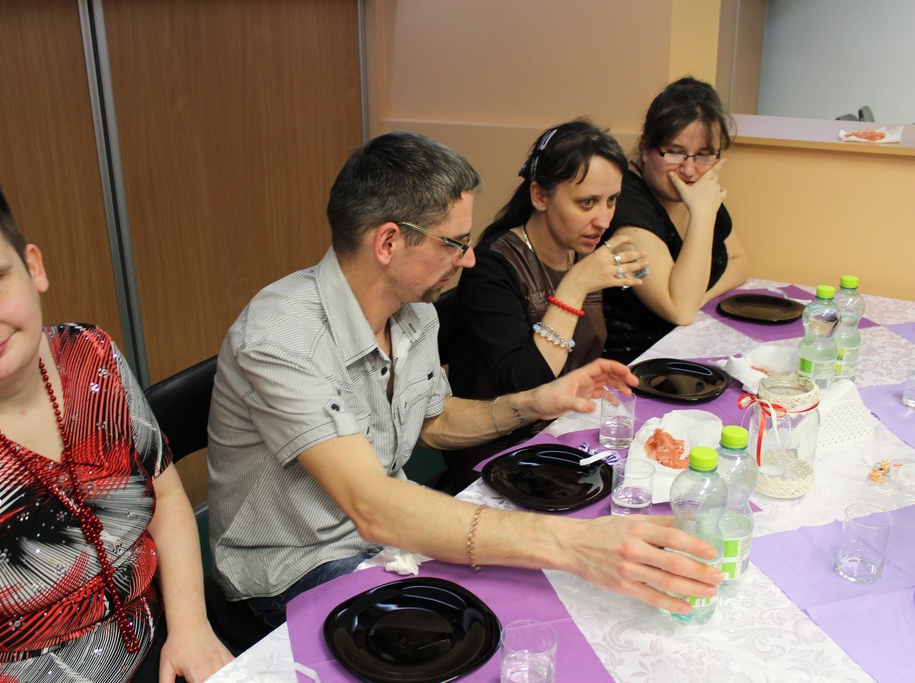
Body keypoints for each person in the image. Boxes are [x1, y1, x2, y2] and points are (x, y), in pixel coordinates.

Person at [207, 131, 721, 628]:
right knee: (508, 616)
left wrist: (533, 402)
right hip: (299, 564)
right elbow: (372, 505)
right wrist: (575, 545)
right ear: (388, 241)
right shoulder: (281, 337)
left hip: (385, 534)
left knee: (536, 606)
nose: (469, 258)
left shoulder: (413, 312)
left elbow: (433, 420)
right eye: (455, 242)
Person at [0, 171, 232, 682]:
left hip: (152, 645)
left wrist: (189, 628)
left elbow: (166, 499)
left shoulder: (90, 354)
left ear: (34, 268)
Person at [446, 119, 643, 483]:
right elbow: (526, 382)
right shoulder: (492, 265)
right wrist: (575, 285)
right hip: (502, 451)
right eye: (587, 202)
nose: (603, 220)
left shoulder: (581, 250)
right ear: (539, 196)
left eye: (612, 200)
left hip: (568, 429)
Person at [602, 77, 750, 364]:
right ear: (646, 148)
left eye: (704, 155)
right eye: (675, 152)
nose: (689, 170)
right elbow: (680, 309)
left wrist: (699, 297)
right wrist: (702, 215)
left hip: (685, 349)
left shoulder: (696, 192)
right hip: (630, 366)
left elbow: (739, 260)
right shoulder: (626, 208)